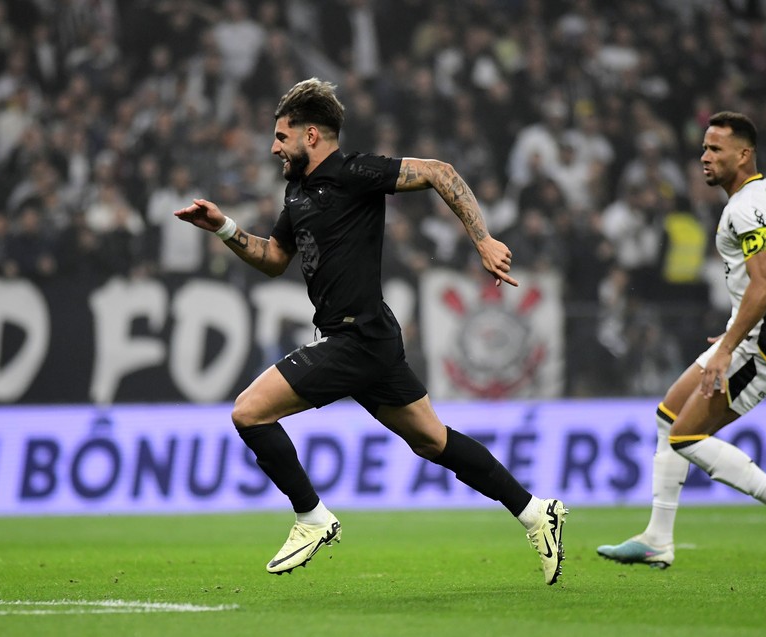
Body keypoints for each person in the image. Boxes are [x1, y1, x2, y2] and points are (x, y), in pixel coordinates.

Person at [175, 78, 568, 586]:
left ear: (311, 135)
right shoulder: (297, 191)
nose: (273, 147)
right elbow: (273, 258)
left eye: (281, 136)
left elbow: (439, 172)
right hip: (369, 339)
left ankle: (312, 517)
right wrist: (225, 228)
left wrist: (483, 239)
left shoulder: (352, 171)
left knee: (248, 411)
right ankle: (536, 511)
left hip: (354, 338)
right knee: (432, 440)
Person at [597, 111, 766, 570]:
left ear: (744, 153)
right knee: (669, 416)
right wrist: (742, 323)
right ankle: (658, 538)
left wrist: (729, 344)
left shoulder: (743, 207)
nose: (704, 157)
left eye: (715, 149)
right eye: (703, 148)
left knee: (687, 436)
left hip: (763, 349)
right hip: (754, 335)